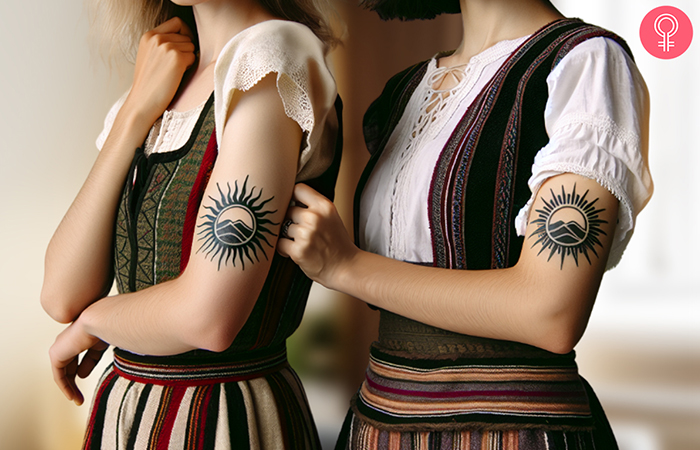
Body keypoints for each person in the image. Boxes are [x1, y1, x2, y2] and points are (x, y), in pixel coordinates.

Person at [277, 0, 652, 448]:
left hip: (509, 430)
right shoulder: (405, 90)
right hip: (378, 422)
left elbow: (550, 312)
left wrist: (345, 267)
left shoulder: (586, 64)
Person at [40, 0, 342, 448]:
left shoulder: (272, 56)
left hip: (225, 416)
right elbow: (62, 294)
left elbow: (208, 318)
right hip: (126, 412)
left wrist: (94, 323)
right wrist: (134, 113)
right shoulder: (160, 83)